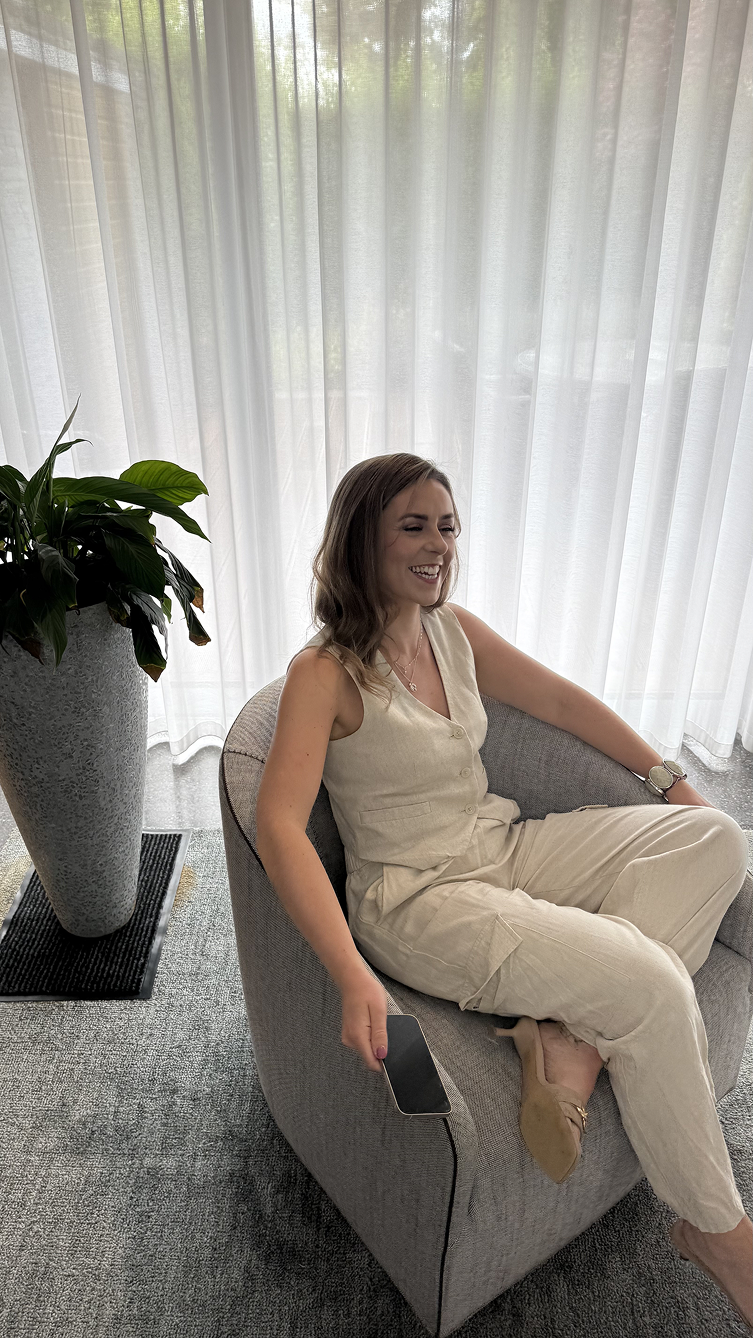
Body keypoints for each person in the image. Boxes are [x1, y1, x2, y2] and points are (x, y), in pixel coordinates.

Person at [256, 453, 753, 1330]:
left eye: (447, 526)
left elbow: (561, 703)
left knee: (718, 839)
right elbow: (280, 829)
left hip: (503, 845)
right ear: (358, 538)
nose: (438, 545)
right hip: (421, 902)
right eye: (413, 526)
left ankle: (570, 1043)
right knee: (648, 983)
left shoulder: (451, 630)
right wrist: (351, 976)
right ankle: (718, 1234)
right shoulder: (324, 674)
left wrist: (672, 782)